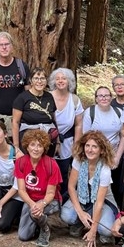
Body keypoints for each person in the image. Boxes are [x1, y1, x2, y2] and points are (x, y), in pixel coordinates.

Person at [60, 131, 118, 246]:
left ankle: (97, 228)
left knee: (106, 229)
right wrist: (80, 213)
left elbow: (99, 203)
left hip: (103, 202)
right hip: (82, 198)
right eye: (87, 145)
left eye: (94, 147)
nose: (90, 150)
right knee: (67, 215)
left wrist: (93, 231)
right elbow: (71, 187)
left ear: (101, 150)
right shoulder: (78, 160)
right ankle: (80, 222)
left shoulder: (105, 169)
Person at [80, 86, 124, 209]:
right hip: (96, 155)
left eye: (106, 95)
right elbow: (86, 137)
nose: (104, 98)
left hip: (114, 154)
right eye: (100, 96)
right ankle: (91, 207)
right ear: (96, 98)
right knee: (96, 182)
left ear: (111, 97)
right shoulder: (90, 112)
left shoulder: (119, 113)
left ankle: (112, 210)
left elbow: (123, 135)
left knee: (115, 185)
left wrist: (117, 157)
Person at [15, 129, 62, 247]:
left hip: (50, 200)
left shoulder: (51, 164)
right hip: (30, 199)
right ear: (27, 146)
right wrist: (32, 204)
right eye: (32, 144)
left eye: (40, 146)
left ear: (44, 148)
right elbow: (21, 190)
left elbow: (51, 193)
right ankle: (40, 222)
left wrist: (42, 204)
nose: (36, 149)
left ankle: (45, 229)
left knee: (34, 213)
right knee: (23, 236)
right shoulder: (20, 162)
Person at [0, 31, 31, 132]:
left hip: (17, 116)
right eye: (1, 45)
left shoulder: (21, 66)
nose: (4, 47)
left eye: (7, 44)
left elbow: (28, 92)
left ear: (12, 46)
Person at [49, 67, 84, 199]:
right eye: (57, 78)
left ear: (69, 81)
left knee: (64, 171)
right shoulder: (47, 97)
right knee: (49, 170)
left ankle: (62, 198)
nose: (60, 81)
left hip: (67, 142)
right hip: (48, 142)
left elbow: (79, 124)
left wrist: (77, 145)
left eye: (63, 78)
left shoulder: (74, 100)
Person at [12, 68, 58, 158]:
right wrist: (16, 147)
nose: (39, 81)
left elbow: (54, 120)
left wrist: (58, 143)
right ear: (31, 81)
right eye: (36, 78)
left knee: (45, 167)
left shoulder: (49, 96)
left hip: (48, 139)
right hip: (29, 140)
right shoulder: (22, 98)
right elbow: (15, 122)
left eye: (42, 78)